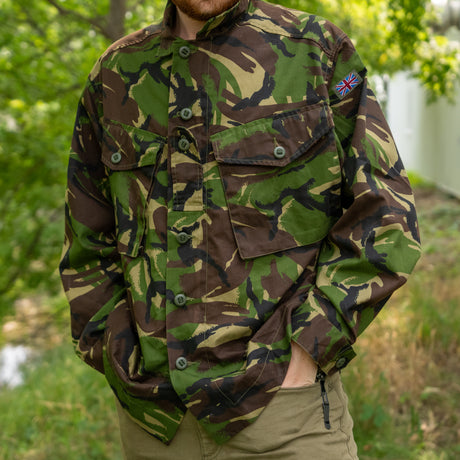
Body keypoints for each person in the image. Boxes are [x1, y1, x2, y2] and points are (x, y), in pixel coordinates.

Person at [60, 0, 422, 458]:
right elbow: (87, 247)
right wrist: (119, 357)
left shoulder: (318, 52)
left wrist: (307, 349)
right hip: (156, 427)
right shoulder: (114, 74)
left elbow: (386, 216)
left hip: (285, 418)